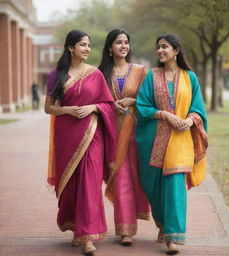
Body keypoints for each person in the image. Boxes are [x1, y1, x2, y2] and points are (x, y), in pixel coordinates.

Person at [44, 30, 117, 255]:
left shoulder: (95, 74)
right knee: (73, 184)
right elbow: (48, 107)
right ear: (70, 48)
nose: (87, 49)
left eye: (88, 45)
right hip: (66, 136)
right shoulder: (56, 75)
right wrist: (66, 110)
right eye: (83, 45)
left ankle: (88, 237)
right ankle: (77, 227)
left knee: (90, 183)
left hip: (92, 134)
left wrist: (94, 107)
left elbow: (108, 104)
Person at [136, 34, 208, 255]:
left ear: (176, 50)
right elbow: (141, 105)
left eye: (164, 47)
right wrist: (165, 115)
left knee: (175, 188)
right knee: (153, 188)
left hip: (180, 139)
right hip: (152, 139)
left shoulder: (190, 77)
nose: (160, 50)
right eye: (158, 47)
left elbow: (198, 108)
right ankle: (162, 224)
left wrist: (188, 120)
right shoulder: (151, 76)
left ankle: (173, 238)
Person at [98, 29, 150, 246]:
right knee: (121, 180)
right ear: (110, 47)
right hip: (112, 135)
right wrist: (110, 105)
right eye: (118, 42)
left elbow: (151, 101)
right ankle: (125, 230)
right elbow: (96, 101)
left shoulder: (141, 71)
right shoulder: (100, 74)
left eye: (126, 42)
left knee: (145, 181)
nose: (123, 46)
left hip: (138, 135)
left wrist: (134, 101)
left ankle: (165, 226)